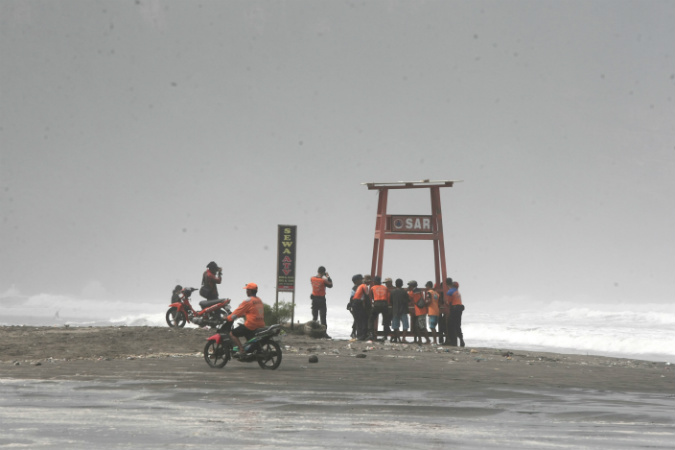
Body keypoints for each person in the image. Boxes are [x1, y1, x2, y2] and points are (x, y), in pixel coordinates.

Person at [227, 282, 265, 357]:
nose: (246, 291)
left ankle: (241, 350)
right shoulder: (259, 300)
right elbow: (255, 311)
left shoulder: (248, 301)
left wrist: (228, 318)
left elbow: (238, 312)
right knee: (246, 332)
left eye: (247, 290)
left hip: (251, 325)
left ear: (250, 291)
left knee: (232, 333)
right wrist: (244, 314)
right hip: (260, 324)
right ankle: (251, 350)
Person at [310, 266, 333, 338]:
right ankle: (324, 333)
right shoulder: (323, 280)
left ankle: (313, 332)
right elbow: (330, 285)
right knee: (323, 317)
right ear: (323, 272)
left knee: (315, 317)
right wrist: (328, 277)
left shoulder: (312, 278)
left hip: (314, 299)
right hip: (321, 299)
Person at [368, 276, 391, 341]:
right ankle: (385, 336)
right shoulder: (385, 288)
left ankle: (371, 334)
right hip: (385, 304)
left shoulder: (373, 288)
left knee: (371, 319)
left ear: (375, 281)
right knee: (386, 320)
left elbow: (372, 297)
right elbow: (388, 297)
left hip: (377, 304)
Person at [408, 280, 431, 344]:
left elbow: (408, 297)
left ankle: (427, 340)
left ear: (412, 286)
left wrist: (408, 290)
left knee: (422, 327)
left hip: (420, 311)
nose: (409, 287)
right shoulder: (419, 291)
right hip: (420, 311)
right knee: (418, 327)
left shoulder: (413, 292)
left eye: (409, 286)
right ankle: (420, 340)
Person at [389, 278, 410, 343]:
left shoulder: (392, 292)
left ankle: (398, 339)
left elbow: (391, 301)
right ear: (402, 284)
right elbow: (408, 300)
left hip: (395, 310)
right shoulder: (404, 292)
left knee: (395, 326)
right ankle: (403, 339)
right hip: (403, 310)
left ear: (395, 284)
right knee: (405, 325)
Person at [350, 274, 370, 341]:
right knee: (362, 320)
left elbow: (352, 297)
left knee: (358, 320)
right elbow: (366, 296)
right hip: (358, 304)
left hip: (355, 304)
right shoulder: (363, 286)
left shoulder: (356, 287)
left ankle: (358, 335)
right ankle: (361, 335)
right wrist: (368, 306)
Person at [448, 281, 465, 347]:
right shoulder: (457, 292)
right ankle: (461, 340)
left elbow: (449, 301)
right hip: (460, 308)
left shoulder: (451, 291)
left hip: (454, 308)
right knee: (458, 325)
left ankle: (453, 342)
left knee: (451, 324)